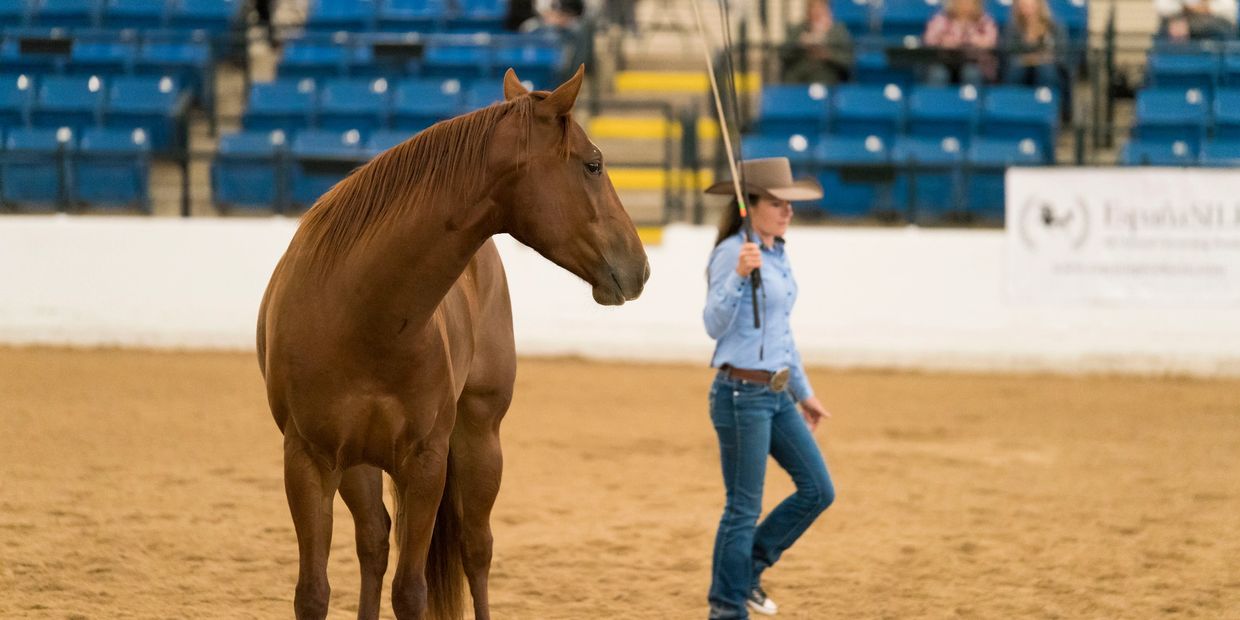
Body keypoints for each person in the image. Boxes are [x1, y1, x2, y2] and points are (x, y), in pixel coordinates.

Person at [702, 158, 835, 620]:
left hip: (775, 395)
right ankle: (726, 607)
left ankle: (746, 573)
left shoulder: (778, 253)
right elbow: (713, 324)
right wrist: (738, 276)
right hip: (740, 394)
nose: (788, 212)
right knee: (742, 508)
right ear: (749, 206)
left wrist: (804, 392)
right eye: (777, 204)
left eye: (789, 204)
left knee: (818, 490)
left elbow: (781, 332)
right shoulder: (730, 254)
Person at [923, 0, 999, 85]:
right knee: (938, 74)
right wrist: (944, 43)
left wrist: (969, 42)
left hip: (976, 63)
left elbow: (990, 43)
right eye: (960, 1)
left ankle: (971, 98)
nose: (964, 4)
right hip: (945, 62)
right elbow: (929, 41)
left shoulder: (985, 21)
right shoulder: (941, 19)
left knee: (971, 73)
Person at [779, 0, 854, 85]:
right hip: (798, 82)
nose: (816, 13)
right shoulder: (797, 31)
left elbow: (848, 61)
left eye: (820, 9)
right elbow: (782, 54)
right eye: (813, 9)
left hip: (829, 83)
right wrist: (800, 44)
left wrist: (827, 55)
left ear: (827, 11)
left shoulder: (838, 32)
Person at [1002, 0, 1066, 88]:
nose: (1027, 9)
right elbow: (1009, 53)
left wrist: (1035, 59)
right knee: (1016, 69)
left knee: (1045, 69)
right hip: (1020, 67)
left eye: (1030, 5)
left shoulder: (1053, 26)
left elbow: (1060, 54)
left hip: (1048, 66)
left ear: (1039, 5)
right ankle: (1014, 99)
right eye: (1023, 5)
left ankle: (1046, 99)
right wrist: (1034, 58)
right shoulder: (1013, 28)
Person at [1155, 0, 1238, 41]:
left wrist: (1199, 8)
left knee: (1221, 27)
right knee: (1168, 26)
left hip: (1215, 25)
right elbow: (1163, 7)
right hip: (1178, 21)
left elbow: (1227, 8)